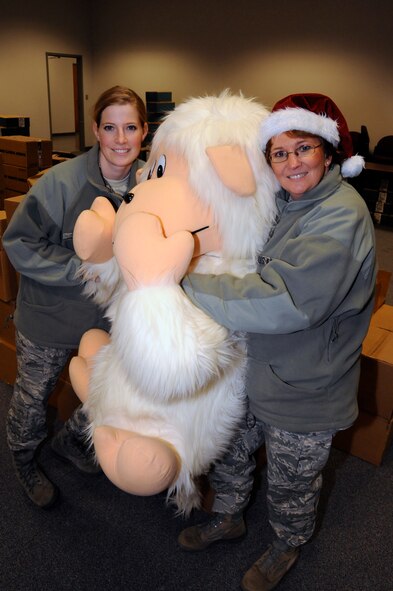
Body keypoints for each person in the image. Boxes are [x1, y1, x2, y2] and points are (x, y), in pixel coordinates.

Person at [177, 93, 377, 591]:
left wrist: (191, 282)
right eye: (280, 153)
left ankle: (287, 544)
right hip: (259, 366)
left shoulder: (340, 216)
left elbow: (285, 301)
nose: (291, 163)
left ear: (328, 153)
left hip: (307, 386)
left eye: (303, 149)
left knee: (291, 485)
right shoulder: (288, 203)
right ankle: (229, 517)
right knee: (231, 450)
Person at [2, 85, 148, 509]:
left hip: (108, 322)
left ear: (143, 131)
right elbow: (19, 242)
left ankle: (70, 442)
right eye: (110, 128)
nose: (121, 140)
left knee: (106, 394)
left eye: (130, 128)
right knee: (32, 403)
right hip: (51, 316)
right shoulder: (60, 183)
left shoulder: (149, 181)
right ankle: (24, 459)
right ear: (96, 132)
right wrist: (81, 269)